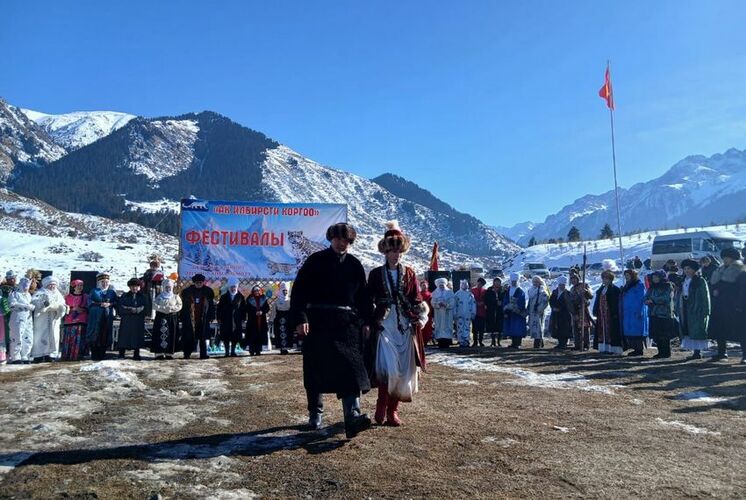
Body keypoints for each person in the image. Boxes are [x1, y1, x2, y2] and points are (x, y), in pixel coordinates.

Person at [290, 222, 373, 438]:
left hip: (347, 326)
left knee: (351, 369)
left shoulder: (354, 265)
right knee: (316, 369)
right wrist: (301, 318)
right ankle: (315, 413)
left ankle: (352, 417)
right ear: (331, 239)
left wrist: (366, 321)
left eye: (345, 240)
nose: (341, 243)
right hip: (317, 323)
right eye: (337, 238)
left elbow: (363, 297)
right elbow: (299, 292)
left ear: (350, 242)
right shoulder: (315, 261)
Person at [367, 221, 428, 426]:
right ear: (385, 251)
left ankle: (393, 411)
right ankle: (381, 406)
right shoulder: (376, 274)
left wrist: (420, 316)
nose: (396, 255)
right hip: (385, 325)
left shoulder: (410, 273)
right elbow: (368, 298)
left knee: (403, 370)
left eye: (399, 251)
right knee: (389, 369)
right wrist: (369, 319)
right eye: (392, 251)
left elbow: (416, 298)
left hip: (404, 326)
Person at [707, 248, 746, 363]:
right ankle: (721, 353)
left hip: (734, 306)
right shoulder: (720, 270)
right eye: (724, 257)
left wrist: (739, 304)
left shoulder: (740, 271)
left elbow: (741, 289)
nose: (725, 260)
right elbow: (713, 284)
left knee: (741, 331)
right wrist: (714, 290)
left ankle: (745, 355)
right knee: (720, 329)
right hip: (720, 305)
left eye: (727, 257)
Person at [31, 276, 68, 362]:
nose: (52, 286)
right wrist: (43, 304)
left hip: (54, 318)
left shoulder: (58, 294)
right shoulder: (40, 292)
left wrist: (61, 308)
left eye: (54, 284)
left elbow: (62, 304)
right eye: (50, 285)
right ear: (46, 285)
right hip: (42, 318)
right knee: (40, 335)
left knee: (54, 335)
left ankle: (50, 355)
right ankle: (39, 355)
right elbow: (34, 301)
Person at [679, 259, 710, 360]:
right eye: (685, 269)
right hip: (685, 307)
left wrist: (705, 310)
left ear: (694, 270)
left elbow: (705, 296)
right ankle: (695, 352)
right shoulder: (683, 280)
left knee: (696, 329)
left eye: (689, 268)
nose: (687, 271)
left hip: (697, 308)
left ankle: (698, 352)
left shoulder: (700, 281)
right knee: (688, 329)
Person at [180, 274, 216, 360]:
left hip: (203, 317)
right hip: (190, 318)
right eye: (197, 282)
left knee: (203, 337)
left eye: (200, 282)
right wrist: (182, 317)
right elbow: (183, 306)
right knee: (189, 337)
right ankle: (187, 354)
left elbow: (211, 305)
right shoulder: (187, 291)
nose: (199, 284)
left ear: (203, 282)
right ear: (194, 283)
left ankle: (203, 354)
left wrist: (212, 316)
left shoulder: (208, 291)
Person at [87, 273, 118, 361]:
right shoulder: (94, 291)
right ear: (99, 283)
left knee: (105, 333)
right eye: (103, 282)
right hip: (96, 316)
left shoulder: (111, 292)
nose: (105, 284)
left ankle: (102, 353)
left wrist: (110, 304)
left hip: (107, 316)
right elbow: (89, 302)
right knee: (95, 333)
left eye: (106, 282)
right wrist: (99, 304)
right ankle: (94, 354)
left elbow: (116, 302)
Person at [644, 270, 675, 359]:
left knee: (664, 335)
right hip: (653, 313)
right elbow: (646, 297)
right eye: (653, 277)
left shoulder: (667, 286)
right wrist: (646, 300)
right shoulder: (652, 287)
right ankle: (660, 351)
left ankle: (666, 352)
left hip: (664, 314)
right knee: (656, 334)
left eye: (656, 277)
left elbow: (665, 298)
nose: (655, 279)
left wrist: (653, 300)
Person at [593, 270, 623, 355]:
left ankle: (612, 349)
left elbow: (615, 303)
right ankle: (603, 347)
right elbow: (597, 300)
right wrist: (595, 309)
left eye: (607, 278)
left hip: (610, 313)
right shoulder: (601, 289)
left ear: (610, 279)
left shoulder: (614, 289)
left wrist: (614, 313)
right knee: (602, 330)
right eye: (603, 278)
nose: (604, 280)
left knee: (611, 330)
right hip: (601, 313)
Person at [116, 278, 147, 360]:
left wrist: (137, 310)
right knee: (124, 336)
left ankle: (136, 354)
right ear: (129, 287)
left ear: (139, 287)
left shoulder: (143, 297)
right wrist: (130, 309)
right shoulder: (124, 296)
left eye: (136, 286)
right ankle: (121, 353)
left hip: (138, 320)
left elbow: (146, 308)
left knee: (137, 336)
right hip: (127, 319)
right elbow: (120, 307)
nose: (134, 288)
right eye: (132, 286)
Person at [152, 278, 182, 360]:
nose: (168, 289)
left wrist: (171, 309)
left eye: (169, 287)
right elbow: (154, 305)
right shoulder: (159, 297)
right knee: (160, 334)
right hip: (161, 318)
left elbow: (179, 305)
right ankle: (159, 353)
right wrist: (163, 309)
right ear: (164, 287)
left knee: (171, 334)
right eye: (166, 287)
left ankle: (169, 353)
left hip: (171, 318)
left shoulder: (175, 297)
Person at [620, 269, 648, 357]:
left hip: (636, 311)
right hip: (628, 312)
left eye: (628, 275)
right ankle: (634, 349)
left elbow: (641, 299)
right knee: (631, 331)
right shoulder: (627, 285)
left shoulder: (639, 285)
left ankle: (639, 350)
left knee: (637, 331)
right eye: (625, 275)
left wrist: (640, 311)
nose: (626, 277)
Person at [8, 277, 35, 364]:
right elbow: (11, 304)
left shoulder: (28, 295)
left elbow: (33, 303)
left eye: (28, 285)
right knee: (17, 336)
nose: (26, 287)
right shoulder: (15, 294)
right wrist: (25, 306)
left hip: (28, 319)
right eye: (24, 285)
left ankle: (25, 355)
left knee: (28, 336)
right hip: (17, 318)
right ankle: (15, 357)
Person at [217, 277, 246, 357]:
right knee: (226, 336)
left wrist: (243, 318)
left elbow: (243, 309)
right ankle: (226, 352)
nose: (233, 288)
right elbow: (219, 308)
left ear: (237, 287)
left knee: (235, 336)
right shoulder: (224, 297)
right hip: (226, 319)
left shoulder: (240, 297)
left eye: (234, 287)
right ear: (229, 287)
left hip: (237, 319)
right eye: (232, 287)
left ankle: (233, 351)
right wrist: (218, 317)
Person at [61, 279, 89, 361]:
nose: (80, 287)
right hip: (70, 321)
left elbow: (89, 306)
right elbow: (63, 307)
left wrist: (83, 309)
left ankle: (79, 355)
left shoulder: (86, 297)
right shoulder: (67, 297)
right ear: (74, 287)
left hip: (82, 321)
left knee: (80, 340)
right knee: (70, 339)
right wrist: (72, 309)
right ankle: (68, 355)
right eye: (78, 285)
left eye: (81, 285)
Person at [569, 274, 593, 351]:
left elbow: (591, 296)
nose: (573, 280)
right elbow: (571, 302)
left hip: (583, 309)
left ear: (578, 279)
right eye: (572, 279)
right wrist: (573, 312)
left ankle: (586, 345)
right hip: (575, 310)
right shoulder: (572, 289)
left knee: (585, 328)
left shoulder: (584, 285)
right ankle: (577, 345)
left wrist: (586, 291)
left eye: (575, 279)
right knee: (576, 328)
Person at [503, 273, 527, 348]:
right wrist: (506, 308)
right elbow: (505, 300)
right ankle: (513, 343)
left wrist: (516, 307)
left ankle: (518, 343)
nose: (514, 283)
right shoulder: (508, 290)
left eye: (515, 281)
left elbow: (522, 301)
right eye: (513, 281)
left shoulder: (520, 291)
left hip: (518, 313)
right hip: (510, 312)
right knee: (512, 328)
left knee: (518, 328)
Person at [549, 276, 573, 350]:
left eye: (563, 285)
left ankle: (564, 343)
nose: (562, 286)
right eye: (560, 285)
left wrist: (560, 308)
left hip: (564, 314)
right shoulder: (555, 292)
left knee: (564, 329)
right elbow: (551, 301)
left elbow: (568, 304)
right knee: (557, 328)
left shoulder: (567, 293)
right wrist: (553, 307)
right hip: (556, 314)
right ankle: (560, 343)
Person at [431, 278, 455, 349]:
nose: (441, 286)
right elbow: (432, 302)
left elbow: (452, 302)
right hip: (438, 313)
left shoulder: (450, 292)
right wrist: (438, 304)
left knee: (447, 326)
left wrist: (446, 305)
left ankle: (447, 342)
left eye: (442, 285)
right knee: (439, 326)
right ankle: (440, 342)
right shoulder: (435, 293)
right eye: (440, 285)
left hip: (447, 313)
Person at [245, 286, 269, 356]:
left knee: (260, 334)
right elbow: (247, 309)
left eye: (258, 290)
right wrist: (254, 312)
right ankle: (252, 350)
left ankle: (258, 350)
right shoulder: (249, 299)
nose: (257, 292)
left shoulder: (263, 298)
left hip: (261, 320)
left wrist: (262, 312)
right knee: (252, 335)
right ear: (253, 291)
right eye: (255, 291)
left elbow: (267, 308)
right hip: (252, 320)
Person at [527, 276, 549, 348]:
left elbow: (545, 302)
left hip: (539, 312)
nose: (535, 283)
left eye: (537, 282)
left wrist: (539, 309)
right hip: (532, 312)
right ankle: (540, 342)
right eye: (534, 282)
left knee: (539, 327)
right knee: (534, 327)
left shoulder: (542, 291)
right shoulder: (531, 291)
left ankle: (537, 343)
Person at [0, 270, 17, 364]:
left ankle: (13, 353)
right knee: (6, 334)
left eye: (13, 278)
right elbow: (4, 300)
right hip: (5, 313)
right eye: (10, 279)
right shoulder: (4, 288)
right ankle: (5, 353)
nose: (12, 280)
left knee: (14, 333)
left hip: (15, 313)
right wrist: (6, 310)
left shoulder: (18, 288)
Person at [272, 282, 293, 354]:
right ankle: (282, 348)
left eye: (286, 291)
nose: (285, 292)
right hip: (279, 320)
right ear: (281, 291)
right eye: (284, 290)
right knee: (280, 333)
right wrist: (271, 320)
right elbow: (273, 311)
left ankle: (287, 348)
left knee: (288, 333)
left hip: (288, 319)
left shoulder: (290, 300)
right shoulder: (277, 301)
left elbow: (292, 310)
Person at [454, 280, 476, 347]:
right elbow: (454, 305)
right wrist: (454, 313)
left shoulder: (470, 294)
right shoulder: (457, 294)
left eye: (465, 284)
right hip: (459, 314)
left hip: (468, 314)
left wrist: (473, 313)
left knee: (467, 327)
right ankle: (461, 340)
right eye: (463, 284)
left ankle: (466, 340)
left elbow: (473, 304)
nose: (464, 286)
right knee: (460, 327)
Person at [484, 278, 504, 347]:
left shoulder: (502, 290)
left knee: (499, 326)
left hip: (500, 310)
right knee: (492, 326)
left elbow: (504, 298)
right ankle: (493, 341)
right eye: (496, 282)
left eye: (498, 282)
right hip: (491, 310)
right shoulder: (489, 290)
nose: (497, 283)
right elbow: (486, 299)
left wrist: (501, 303)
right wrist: (494, 302)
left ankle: (499, 341)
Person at [471, 278, 488, 347]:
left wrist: (483, 303)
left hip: (482, 312)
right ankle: (475, 341)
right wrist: (475, 303)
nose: (479, 285)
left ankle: (481, 341)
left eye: (481, 284)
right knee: (474, 328)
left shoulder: (485, 291)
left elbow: (487, 300)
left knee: (481, 328)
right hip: (474, 311)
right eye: (479, 283)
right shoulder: (472, 290)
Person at [419, 279, 434, 345]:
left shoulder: (430, 294)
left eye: (425, 285)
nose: (424, 286)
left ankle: (427, 340)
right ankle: (421, 340)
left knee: (428, 327)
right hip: (421, 313)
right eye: (423, 285)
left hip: (429, 313)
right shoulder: (419, 294)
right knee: (422, 327)